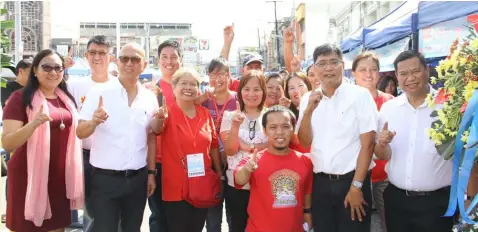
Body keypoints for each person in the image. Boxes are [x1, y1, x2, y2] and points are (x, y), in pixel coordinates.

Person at [76, 43, 158, 232]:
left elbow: (151, 137)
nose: (129, 63)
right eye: (124, 58)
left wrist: (151, 174)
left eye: (135, 59)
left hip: (137, 179)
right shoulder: (99, 92)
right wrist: (94, 122)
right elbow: (80, 132)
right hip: (105, 180)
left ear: (144, 64)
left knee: (132, 229)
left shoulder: (149, 97)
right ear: (117, 62)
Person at [297, 44, 378, 232]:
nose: (328, 68)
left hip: (352, 181)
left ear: (343, 65)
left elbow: (368, 145)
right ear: (314, 69)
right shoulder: (307, 99)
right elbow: (304, 141)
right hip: (321, 184)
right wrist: (309, 111)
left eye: (333, 62)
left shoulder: (360, 96)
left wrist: (356, 186)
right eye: (322, 63)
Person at [2, 49, 84, 231]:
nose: (53, 72)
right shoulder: (20, 98)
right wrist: (32, 125)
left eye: (58, 67)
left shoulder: (66, 99)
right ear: (35, 71)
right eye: (47, 67)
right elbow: (7, 143)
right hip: (29, 177)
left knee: (57, 227)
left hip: (59, 177)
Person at [374, 51, 453, 232]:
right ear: (396, 76)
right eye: (403, 74)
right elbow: (382, 155)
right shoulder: (389, 108)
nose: (410, 78)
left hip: (437, 203)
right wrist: (381, 144)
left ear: (426, 70)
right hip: (397, 200)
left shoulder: (447, 106)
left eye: (415, 71)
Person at [157, 67, 223, 232]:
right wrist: (158, 119)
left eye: (193, 84)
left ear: (198, 89)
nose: (188, 87)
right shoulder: (167, 112)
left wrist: (219, 172)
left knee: (197, 227)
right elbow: (156, 130)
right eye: (183, 83)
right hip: (176, 186)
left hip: (201, 182)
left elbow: (214, 145)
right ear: (174, 88)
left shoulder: (205, 113)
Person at [234, 105, 314, 232]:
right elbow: (239, 179)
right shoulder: (254, 159)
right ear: (264, 131)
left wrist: (307, 212)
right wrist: (247, 169)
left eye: (286, 126)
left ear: (293, 129)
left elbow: (307, 191)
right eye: (273, 127)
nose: (280, 132)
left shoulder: (305, 161)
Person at [66, 34, 116, 231]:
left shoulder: (120, 85)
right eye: (92, 52)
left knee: (116, 212)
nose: (97, 57)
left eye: (102, 53)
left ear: (110, 57)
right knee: (91, 214)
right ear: (86, 55)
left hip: (115, 157)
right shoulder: (74, 85)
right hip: (86, 157)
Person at [220, 71, 268, 232]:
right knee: (238, 227)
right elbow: (230, 150)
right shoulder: (230, 116)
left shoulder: (272, 115)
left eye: (257, 89)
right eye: (247, 89)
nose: (251, 94)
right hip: (237, 185)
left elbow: (279, 144)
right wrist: (235, 126)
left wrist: (253, 148)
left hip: (265, 183)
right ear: (240, 91)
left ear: (264, 91)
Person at [352, 51, 394, 232]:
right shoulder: (347, 100)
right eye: (362, 69)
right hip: (354, 175)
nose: (368, 74)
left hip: (384, 175)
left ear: (379, 73)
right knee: (358, 222)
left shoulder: (390, 102)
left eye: (373, 69)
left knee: (389, 221)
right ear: (353, 73)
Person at [148, 39, 184, 232]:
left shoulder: (189, 88)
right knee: (159, 216)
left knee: (180, 215)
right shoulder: (150, 91)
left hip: (182, 161)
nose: (169, 61)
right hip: (159, 162)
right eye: (164, 57)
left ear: (181, 60)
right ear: (158, 60)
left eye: (173, 57)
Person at [202, 57, 237, 232]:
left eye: (222, 73)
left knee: (234, 216)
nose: (218, 78)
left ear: (229, 76)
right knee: (213, 219)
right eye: (214, 74)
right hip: (210, 164)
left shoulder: (238, 100)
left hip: (234, 162)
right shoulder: (204, 100)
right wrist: (201, 97)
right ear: (208, 77)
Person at [0, 58, 32, 224]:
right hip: (15, 137)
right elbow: (7, 105)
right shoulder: (10, 88)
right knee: (14, 171)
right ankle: (9, 208)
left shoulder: (34, 89)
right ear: (20, 71)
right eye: (29, 71)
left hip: (32, 137)